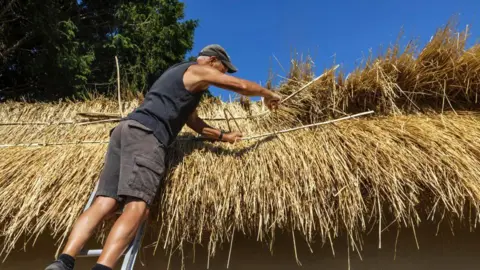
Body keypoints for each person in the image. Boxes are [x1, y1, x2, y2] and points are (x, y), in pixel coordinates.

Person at [45, 44, 281, 270]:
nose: (222, 74)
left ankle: (64, 261)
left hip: (125, 130)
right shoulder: (198, 70)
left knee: (105, 202)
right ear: (212, 60)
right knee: (137, 206)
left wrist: (222, 136)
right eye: (223, 69)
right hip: (147, 136)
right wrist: (268, 93)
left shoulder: (179, 78)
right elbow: (239, 85)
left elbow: (194, 122)